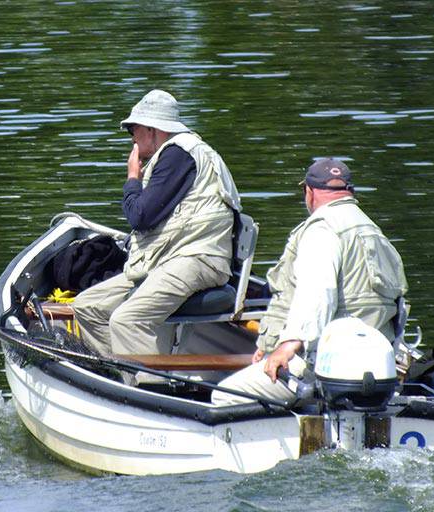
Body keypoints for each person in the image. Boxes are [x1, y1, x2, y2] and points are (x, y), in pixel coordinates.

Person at [211, 158, 408, 406]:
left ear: (310, 192)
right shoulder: (374, 232)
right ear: (350, 192)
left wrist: (288, 345)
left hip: (325, 368)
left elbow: (318, 293)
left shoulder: (322, 230)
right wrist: (271, 343)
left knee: (225, 395)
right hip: (379, 372)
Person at [72, 89, 241, 360]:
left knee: (127, 320)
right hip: (173, 256)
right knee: (87, 306)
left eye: (133, 131)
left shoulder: (178, 155)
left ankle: (148, 388)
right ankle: (118, 374)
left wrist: (132, 177)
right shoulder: (175, 155)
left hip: (197, 258)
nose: (132, 140)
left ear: (151, 130)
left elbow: (139, 216)